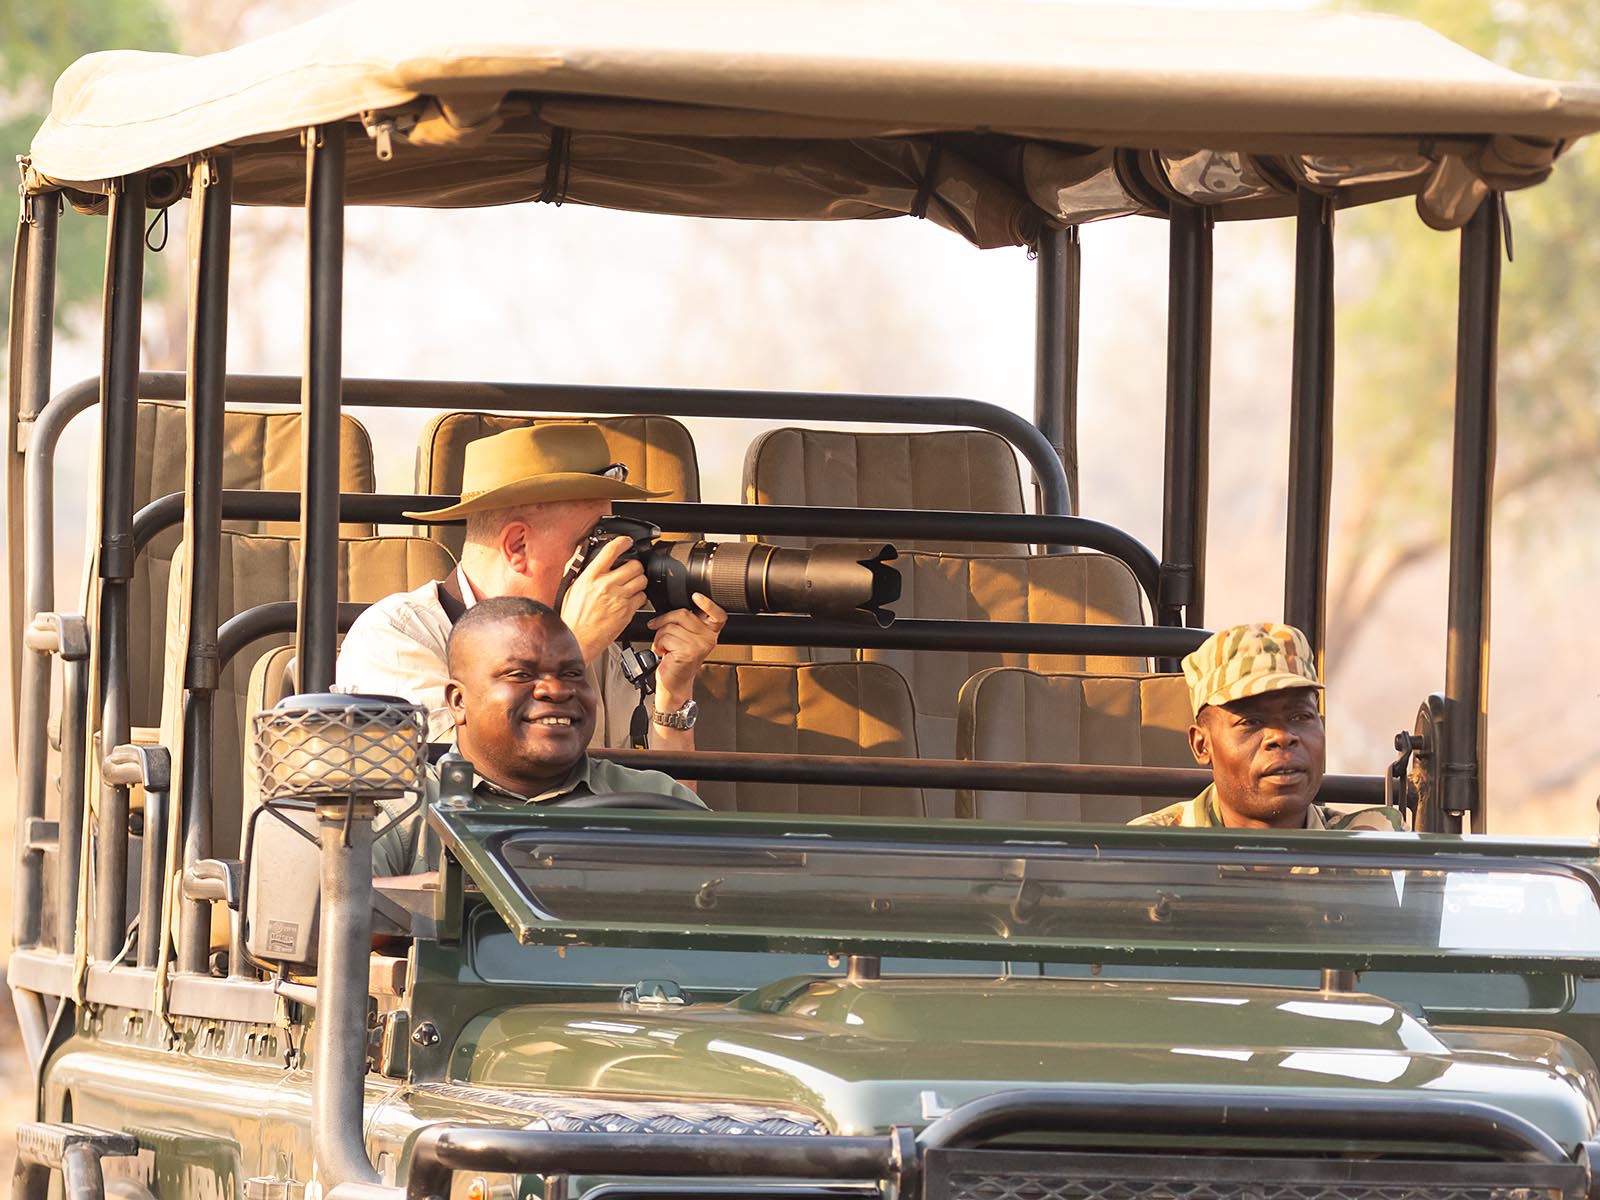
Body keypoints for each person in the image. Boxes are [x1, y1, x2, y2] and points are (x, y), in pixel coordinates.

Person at [336, 422, 725, 749]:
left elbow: (667, 814)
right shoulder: (398, 637)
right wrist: (570, 650)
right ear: (517, 546)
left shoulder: (602, 642)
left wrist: (674, 693)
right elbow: (447, 792)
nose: (610, 561)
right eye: (594, 541)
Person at [373, 597, 705, 876]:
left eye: (573, 674)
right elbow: (337, 926)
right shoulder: (397, 811)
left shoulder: (659, 801)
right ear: (459, 702)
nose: (557, 689)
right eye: (521, 675)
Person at [1130, 623, 1405, 831]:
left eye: (1301, 717)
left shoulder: (1373, 849)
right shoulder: (1151, 849)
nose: (1282, 737)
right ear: (1202, 745)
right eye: (1251, 722)